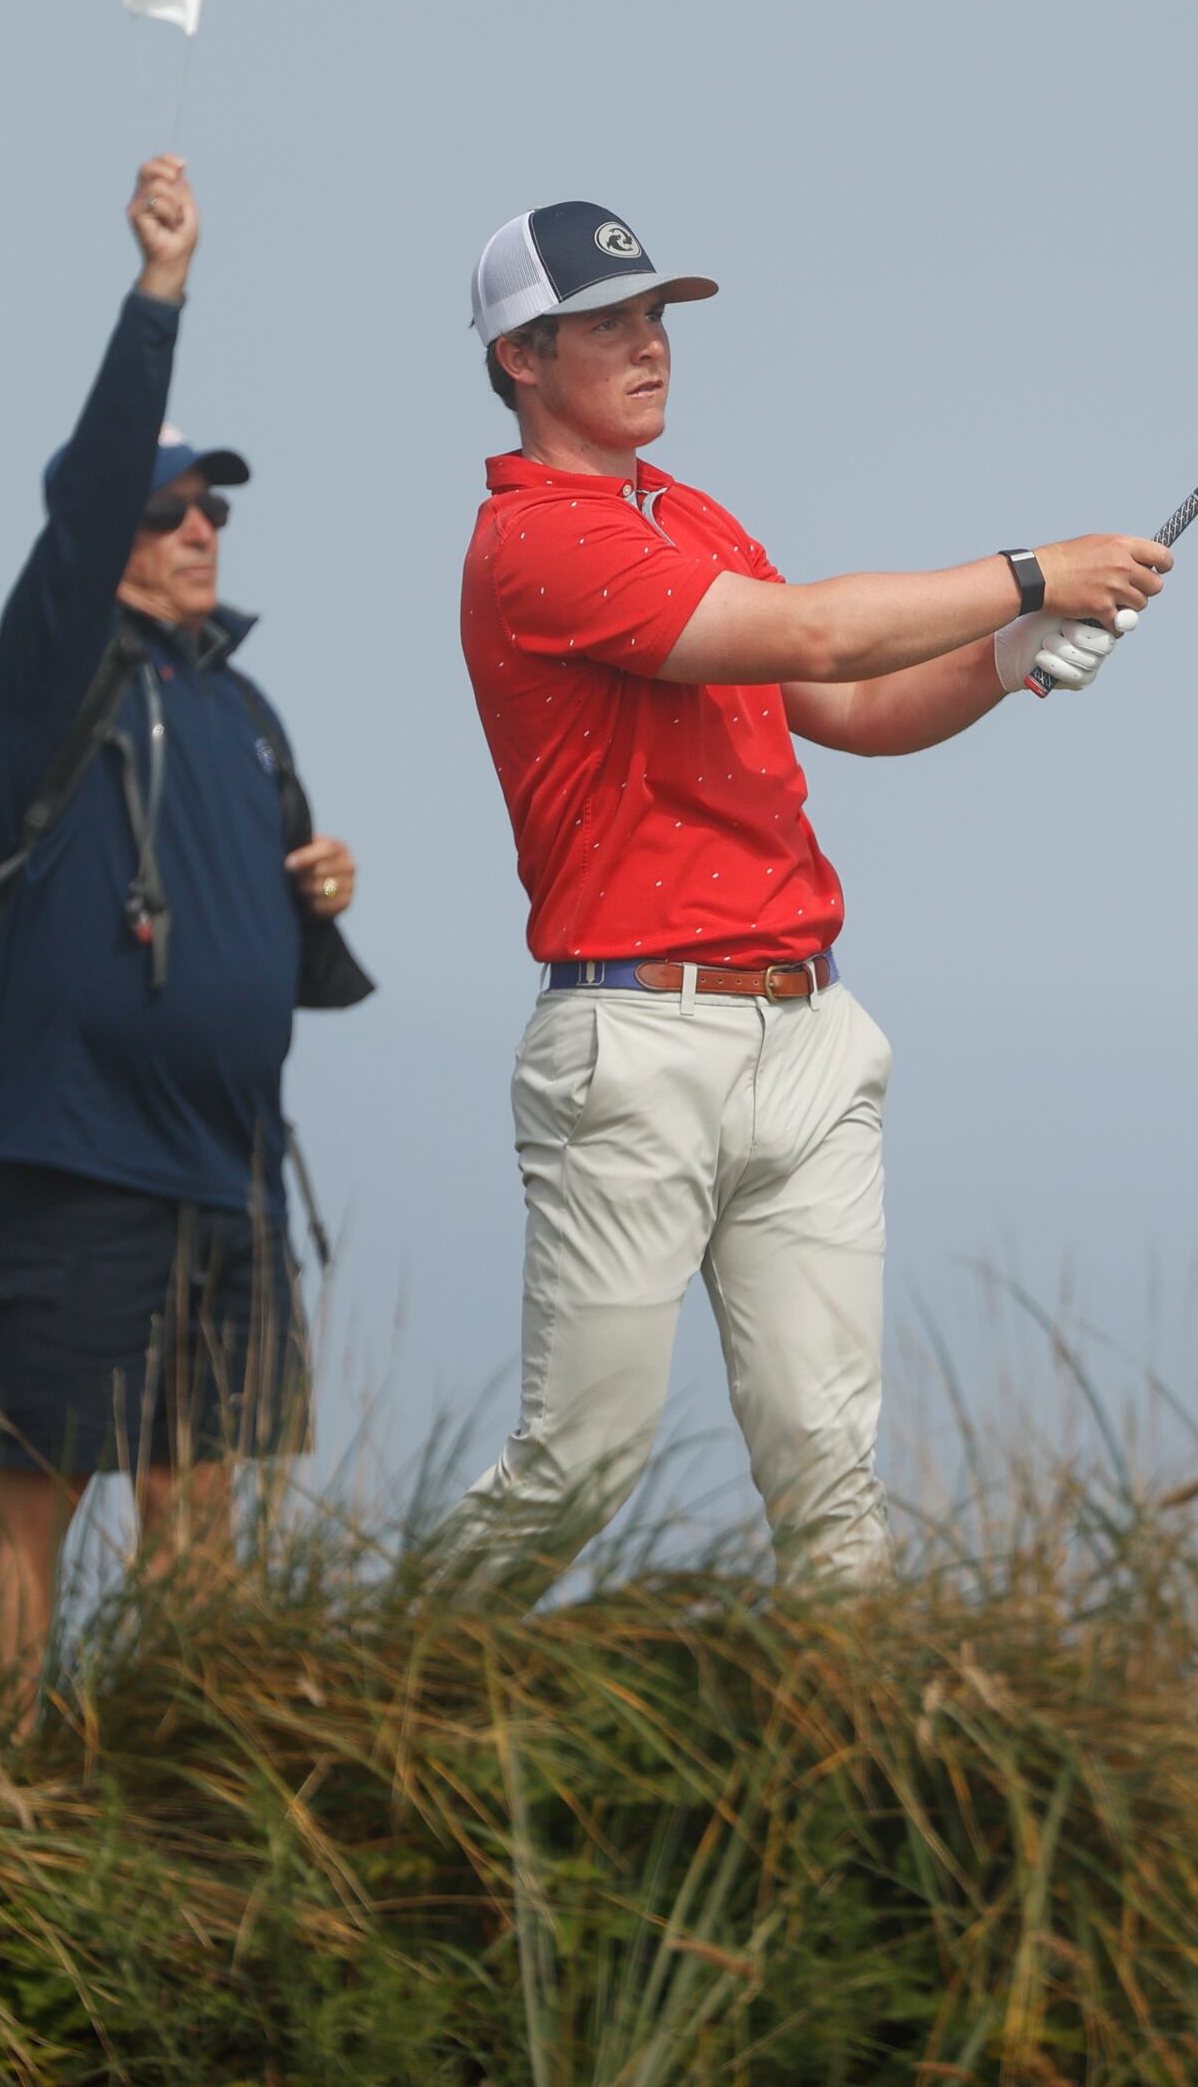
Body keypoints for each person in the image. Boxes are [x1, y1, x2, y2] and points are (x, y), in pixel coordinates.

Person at [437, 199, 1159, 1588]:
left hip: (808, 1033)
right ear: (521, 359)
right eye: (607, 324)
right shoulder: (537, 543)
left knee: (831, 1478)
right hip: (636, 1041)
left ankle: (867, 1783)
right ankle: (345, 1709)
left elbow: (851, 699)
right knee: (580, 1462)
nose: (650, 345)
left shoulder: (689, 517)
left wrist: (1014, 652)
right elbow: (817, 625)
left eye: (656, 316)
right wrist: (1031, 570)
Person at [0, 155, 374, 1701]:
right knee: (43, 1485)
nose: (202, 530)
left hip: (230, 1168)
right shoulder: (56, 672)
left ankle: (172, 1791)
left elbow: (259, 940)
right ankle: (2, 1787)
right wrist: (161, 293)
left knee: (203, 1499)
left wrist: (310, 889)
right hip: (75, 1159)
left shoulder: (238, 705)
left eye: (213, 509)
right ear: (103, 529)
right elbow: (96, 481)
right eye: (170, 508)